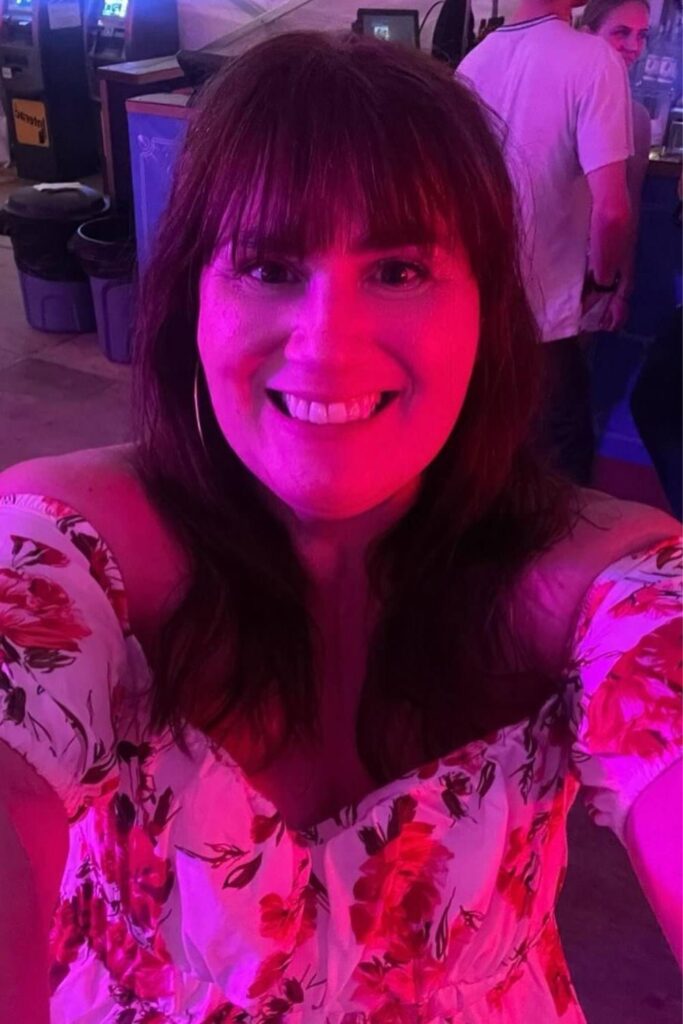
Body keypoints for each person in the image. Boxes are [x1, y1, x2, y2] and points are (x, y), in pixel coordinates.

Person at [0, 31, 680, 1024]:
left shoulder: (596, 579)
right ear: (191, 298)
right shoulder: (64, 548)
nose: (326, 342)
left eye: (399, 270)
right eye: (269, 265)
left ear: (486, 312)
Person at [457, 0, 634, 485]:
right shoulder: (593, 59)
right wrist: (603, 281)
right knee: (561, 482)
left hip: (479, 313)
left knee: (486, 471)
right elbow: (613, 209)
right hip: (548, 322)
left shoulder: (473, 63)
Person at [580, 0, 652, 332]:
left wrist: (620, 288)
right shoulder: (567, 93)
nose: (633, 46)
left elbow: (629, 206)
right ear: (587, 34)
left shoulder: (636, 116)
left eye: (642, 35)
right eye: (621, 32)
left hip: (596, 270)